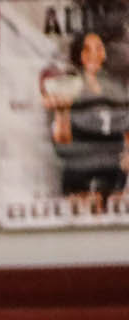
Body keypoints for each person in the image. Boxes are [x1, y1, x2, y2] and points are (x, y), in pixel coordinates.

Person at [44, 31, 129, 211]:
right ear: (78, 54)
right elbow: (61, 143)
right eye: (87, 50)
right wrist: (62, 113)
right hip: (78, 172)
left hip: (115, 173)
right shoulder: (65, 86)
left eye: (98, 48)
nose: (94, 55)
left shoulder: (116, 88)